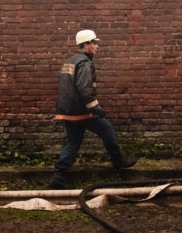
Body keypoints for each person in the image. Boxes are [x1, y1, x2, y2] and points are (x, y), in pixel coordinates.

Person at [48, 29, 137, 190]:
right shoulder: (84, 63)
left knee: (73, 142)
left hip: (68, 111)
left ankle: (59, 175)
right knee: (107, 129)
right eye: (94, 43)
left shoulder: (71, 60)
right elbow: (84, 88)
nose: (97, 46)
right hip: (81, 111)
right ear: (86, 44)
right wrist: (96, 108)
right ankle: (118, 161)